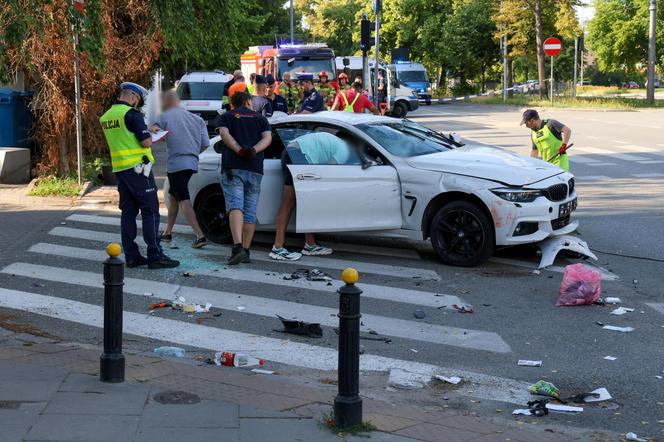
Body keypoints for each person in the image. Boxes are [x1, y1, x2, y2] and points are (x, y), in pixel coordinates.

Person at [99, 82, 179, 269]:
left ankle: (132, 256)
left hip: (121, 171)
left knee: (128, 213)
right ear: (134, 97)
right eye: (138, 100)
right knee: (150, 211)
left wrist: (146, 132)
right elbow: (145, 143)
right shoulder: (132, 115)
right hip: (139, 171)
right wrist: (151, 136)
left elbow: (126, 138)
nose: (137, 104)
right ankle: (155, 255)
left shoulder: (107, 116)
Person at [270, 132, 349, 260]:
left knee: (303, 202)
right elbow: (329, 170)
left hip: (291, 151)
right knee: (289, 202)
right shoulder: (345, 149)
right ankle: (278, 247)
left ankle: (310, 244)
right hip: (299, 154)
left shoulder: (335, 142)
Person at [215, 91, 272, 265]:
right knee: (249, 211)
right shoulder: (260, 118)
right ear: (248, 101)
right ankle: (246, 250)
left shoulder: (227, 116)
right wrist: (254, 150)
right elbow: (268, 139)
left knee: (235, 206)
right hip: (255, 168)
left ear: (233, 103)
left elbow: (225, 136)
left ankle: (237, 247)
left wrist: (239, 150)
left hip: (234, 166)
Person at [150, 91, 210, 248]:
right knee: (173, 196)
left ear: (166, 103)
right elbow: (205, 143)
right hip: (191, 163)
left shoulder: (165, 116)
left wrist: (156, 131)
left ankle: (200, 236)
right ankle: (167, 232)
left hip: (176, 165)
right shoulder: (197, 119)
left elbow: (154, 129)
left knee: (183, 199)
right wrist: (192, 152)